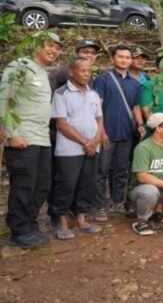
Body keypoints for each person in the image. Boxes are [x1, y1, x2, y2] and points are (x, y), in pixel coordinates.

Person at [0, 31, 62, 248]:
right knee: (24, 186)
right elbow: (4, 98)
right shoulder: (20, 66)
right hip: (23, 137)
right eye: (49, 45)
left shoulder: (42, 72)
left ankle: (29, 224)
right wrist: (11, 133)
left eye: (57, 48)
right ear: (35, 44)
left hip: (42, 139)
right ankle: (19, 231)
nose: (54, 50)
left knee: (42, 185)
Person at [50, 58, 103, 240]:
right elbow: (62, 123)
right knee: (66, 185)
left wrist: (95, 141)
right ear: (71, 72)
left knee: (87, 184)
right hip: (69, 150)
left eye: (89, 71)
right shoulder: (61, 93)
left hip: (91, 148)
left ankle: (82, 219)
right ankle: (62, 222)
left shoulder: (93, 94)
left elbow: (99, 119)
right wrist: (85, 142)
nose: (87, 74)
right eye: (82, 71)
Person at [94, 45, 146, 221]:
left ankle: (118, 202)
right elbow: (98, 107)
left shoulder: (135, 83)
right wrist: (100, 131)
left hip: (126, 133)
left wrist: (140, 124)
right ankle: (100, 206)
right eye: (120, 56)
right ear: (113, 58)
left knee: (121, 170)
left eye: (127, 57)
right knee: (101, 170)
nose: (124, 60)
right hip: (107, 132)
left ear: (131, 60)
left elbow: (136, 107)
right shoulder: (103, 80)